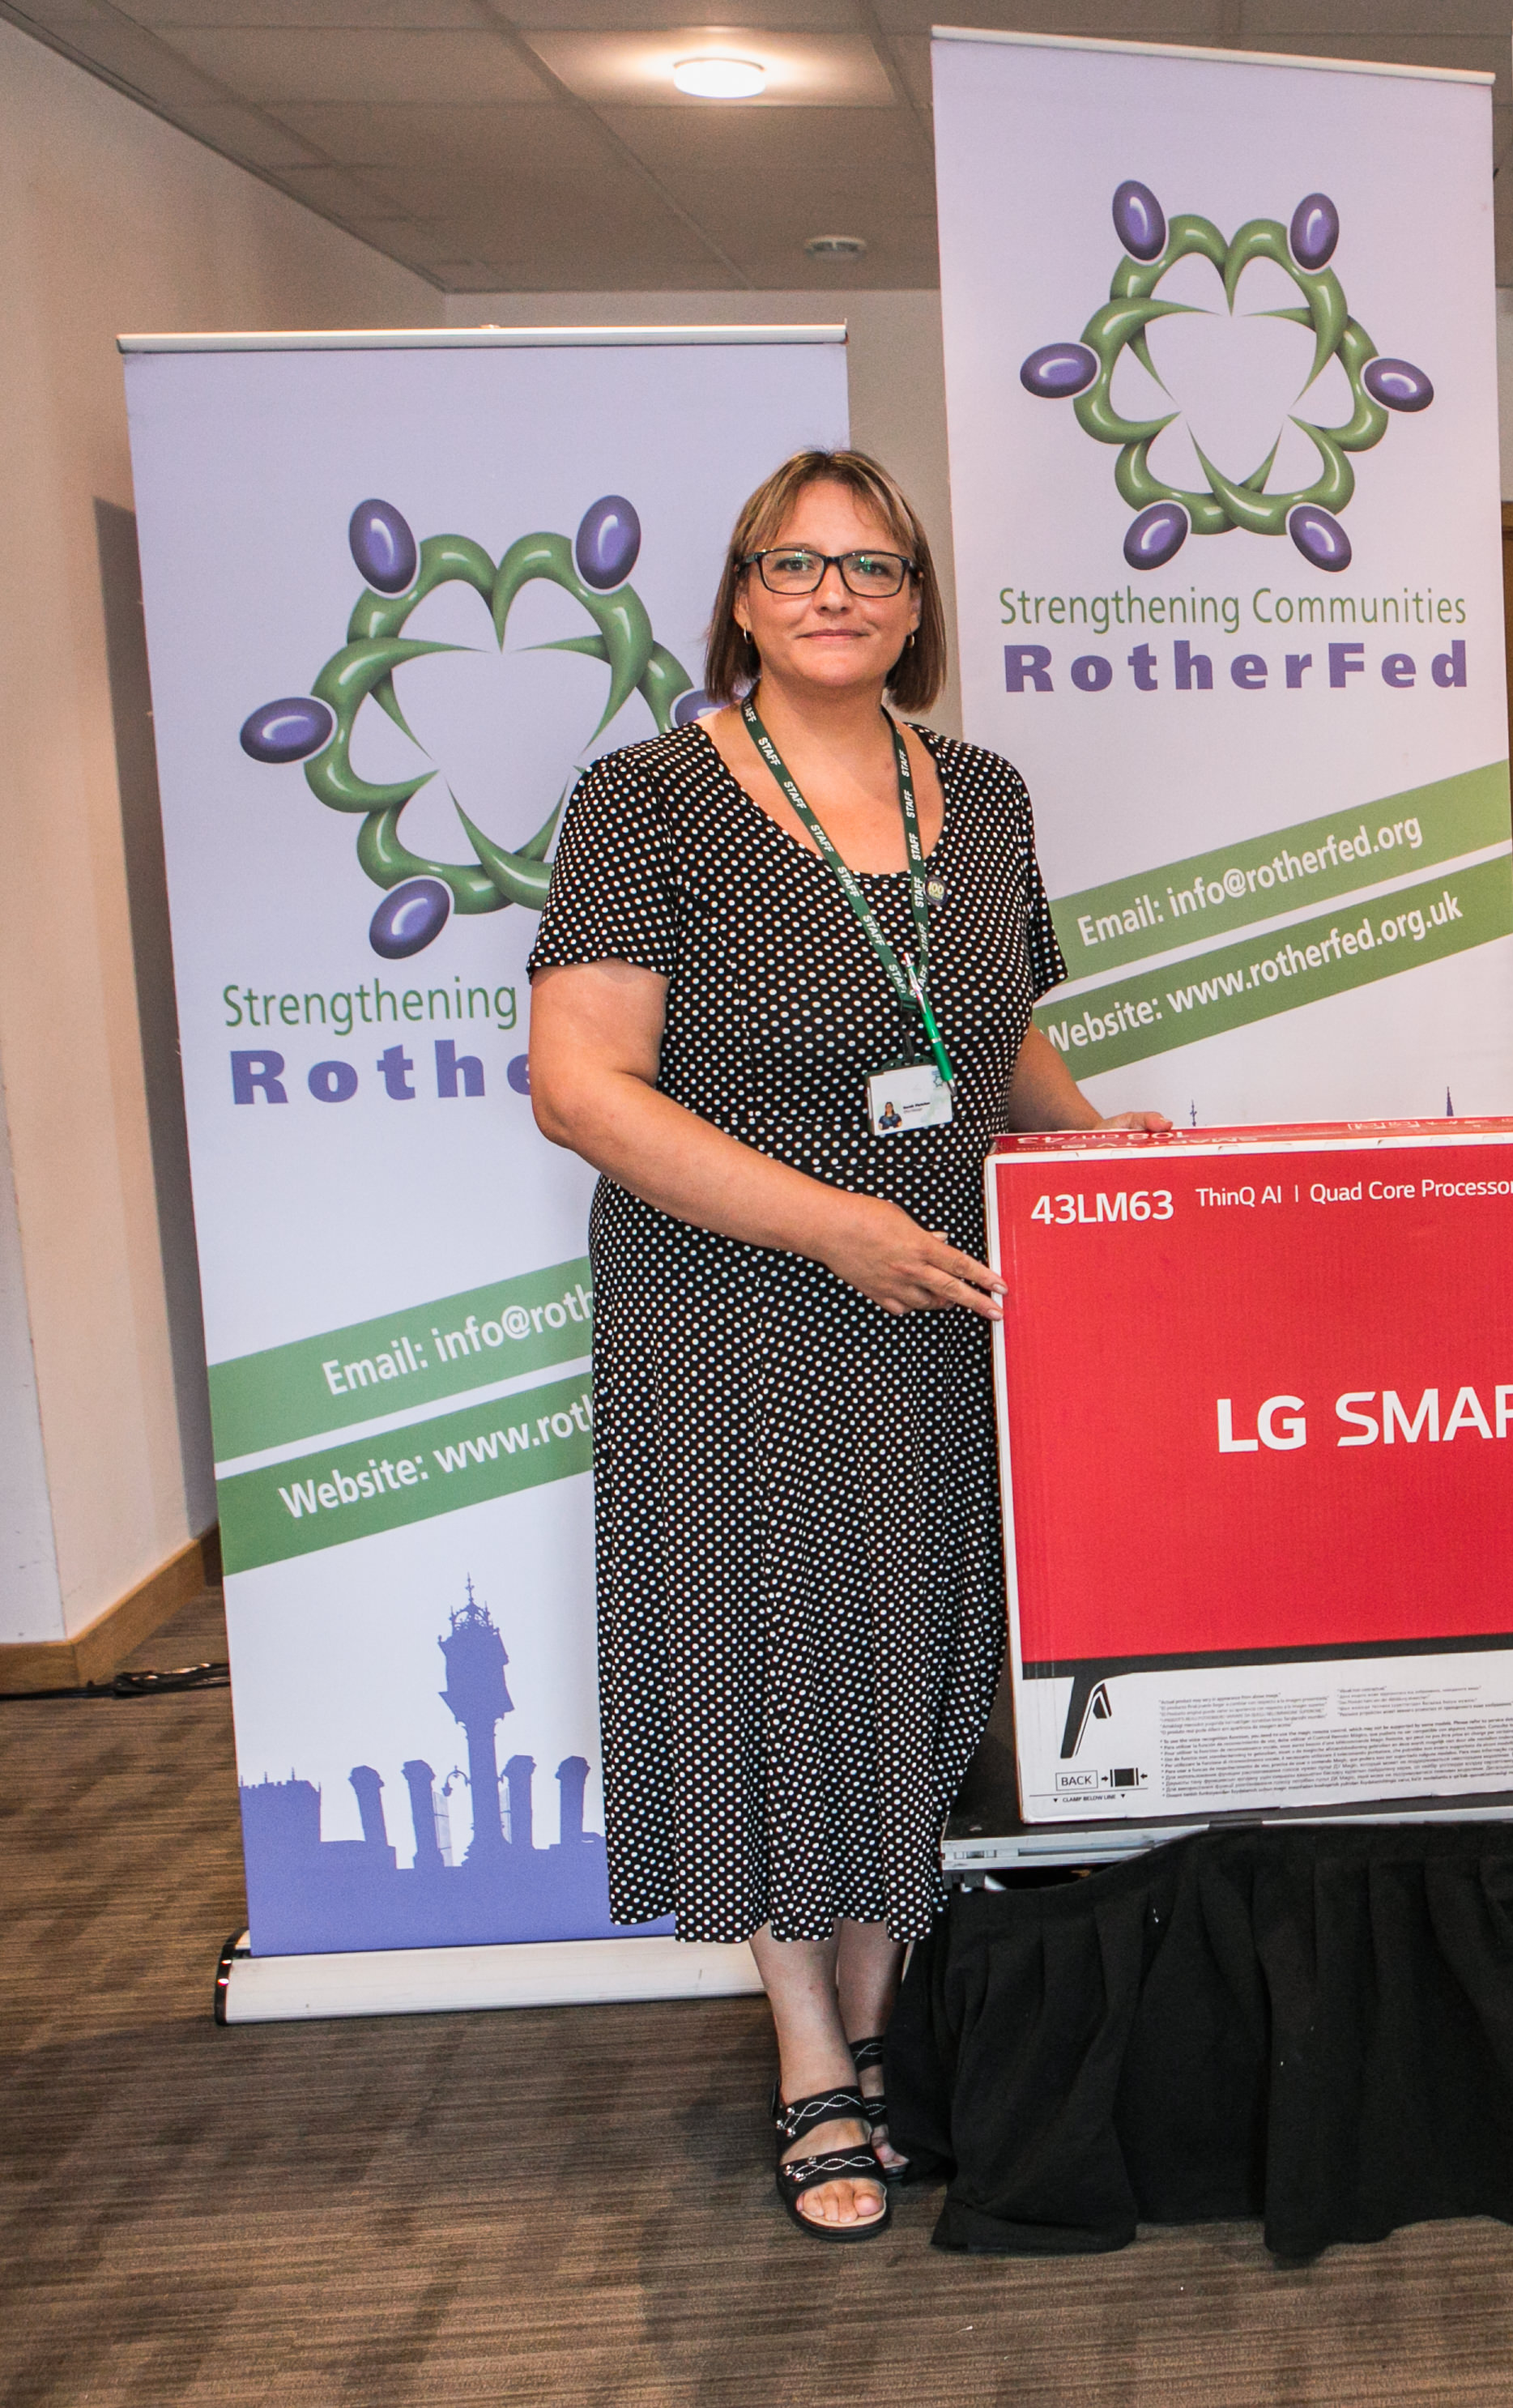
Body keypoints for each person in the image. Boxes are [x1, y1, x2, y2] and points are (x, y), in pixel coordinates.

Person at [524, 449, 1166, 2241]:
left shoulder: (983, 788)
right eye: (795, 566)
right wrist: (830, 1224)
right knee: (776, 1674)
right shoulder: (646, 799)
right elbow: (577, 1086)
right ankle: (813, 2054)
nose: (834, 594)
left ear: (915, 602)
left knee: (915, 1669)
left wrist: (1088, 1142)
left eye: (872, 567)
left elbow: (986, 1043)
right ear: (741, 596)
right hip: (736, 1302)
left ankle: (881, 2026)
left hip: (943, 1300)